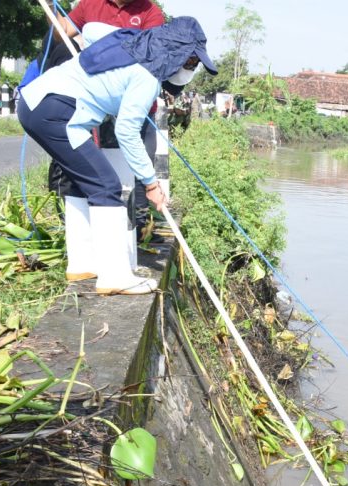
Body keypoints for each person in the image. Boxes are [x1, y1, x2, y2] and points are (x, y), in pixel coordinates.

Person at [17, 17, 216, 295]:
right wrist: (150, 183)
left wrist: (127, 37)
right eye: (191, 62)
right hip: (56, 110)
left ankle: (82, 263)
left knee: (81, 181)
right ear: (176, 53)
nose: (190, 70)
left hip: (36, 103)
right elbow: (126, 131)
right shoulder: (147, 76)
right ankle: (114, 277)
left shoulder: (134, 42)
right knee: (105, 186)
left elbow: (91, 30)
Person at [50, 0, 168, 241]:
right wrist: (52, 10)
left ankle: (139, 223)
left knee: (141, 160)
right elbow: (61, 33)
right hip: (96, 100)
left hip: (135, 103)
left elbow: (149, 57)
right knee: (89, 166)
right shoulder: (90, 4)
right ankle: (81, 224)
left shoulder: (151, 13)